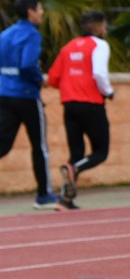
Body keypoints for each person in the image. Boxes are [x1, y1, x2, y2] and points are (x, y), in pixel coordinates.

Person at [47, 11, 115, 210]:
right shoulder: (99, 45)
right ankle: (75, 169)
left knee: (76, 152)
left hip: (70, 106)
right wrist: (109, 92)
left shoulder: (67, 48)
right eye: (104, 26)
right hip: (92, 104)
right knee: (101, 152)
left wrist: (72, 85)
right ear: (97, 27)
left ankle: (65, 200)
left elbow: (53, 79)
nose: (105, 30)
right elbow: (99, 73)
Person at [0, 0, 58, 209]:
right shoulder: (32, 34)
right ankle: (44, 195)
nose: (42, 12)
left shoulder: (5, 34)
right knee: (39, 146)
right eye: (40, 9)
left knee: (3, 144)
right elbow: (27, 64)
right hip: (26, 96)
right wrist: (39, 79)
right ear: (30, 12)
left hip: (4, 95)